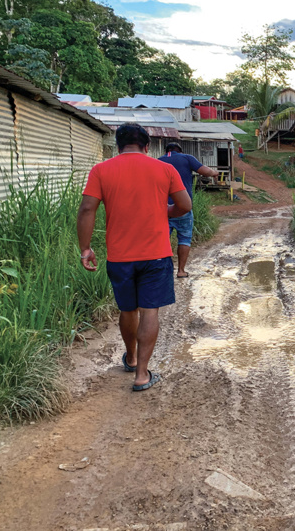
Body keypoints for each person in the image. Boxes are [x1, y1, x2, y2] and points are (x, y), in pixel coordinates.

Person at [77, 123, 192, 392]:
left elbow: (86, 209)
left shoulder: (101, 170)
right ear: (147, 146)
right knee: (149, 310)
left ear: (117, 145)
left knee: (127, 309)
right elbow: (185, 205)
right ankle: (142, 374)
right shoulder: (165, 169)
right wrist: (164, 213)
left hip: (120, 255)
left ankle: (129, 358)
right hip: (156, 254)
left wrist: (85, 248)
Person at [158, 142, 219, 278]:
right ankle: (181, 271)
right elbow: (205, 171)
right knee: (184, 238)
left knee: (162, 240)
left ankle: (163, 271)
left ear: (166, 150)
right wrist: (215, 173)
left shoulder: (158, 161)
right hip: (182, 207)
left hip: (162, 209)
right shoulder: (186, 158)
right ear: (180, 150)